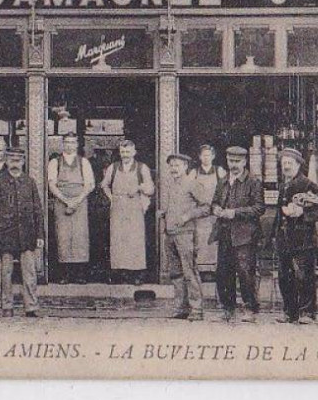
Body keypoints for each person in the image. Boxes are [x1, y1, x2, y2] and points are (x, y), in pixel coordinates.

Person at [0, 145, 45, 318]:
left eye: (18, 160)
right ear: (7, 162)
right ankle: (6, 306)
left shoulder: (29, 182)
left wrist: (40, 234)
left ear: (23, 162)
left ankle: (31, 306)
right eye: (12, 160)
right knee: (6, 272)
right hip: (5, 234)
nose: (15, 164)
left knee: (29, 272)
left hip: (27, 234)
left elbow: (37, 209)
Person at [271, 148, 318, 324]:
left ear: (298, 165)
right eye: (284, 164)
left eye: (290, 163)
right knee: (284, 276)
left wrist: (302, 212)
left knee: (304, 276)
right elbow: (279, 213)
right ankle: (289, 312)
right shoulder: (283, 185)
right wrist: (274, 234)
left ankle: (307, 313)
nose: (286, 167)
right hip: (284, 238)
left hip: (304, 239)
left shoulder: (308, 184)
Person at [210, 145, 265, 321]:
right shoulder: (223, 181)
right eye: (230, 161)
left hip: (245, 235)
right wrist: (216, 209)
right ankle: (228, 309)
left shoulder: (253, 182)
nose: (233, 165)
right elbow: (215, 202)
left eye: (237, 161)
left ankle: (251, 309)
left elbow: (259, 208)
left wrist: (235, 213)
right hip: (225, 233)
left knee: (245, 272)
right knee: (223, 272)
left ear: (244, 161)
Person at [159, 153, 209, 320]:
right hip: (170, 234)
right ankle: (181, 308)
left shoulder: (192, 184)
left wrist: (188, 216)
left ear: (186, 167)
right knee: (176, 273)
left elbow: (206, 207)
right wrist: (164, 213)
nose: (173, 168)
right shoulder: (171, 184)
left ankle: (197, 309)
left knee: (189, 271)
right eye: (171, 165)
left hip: (186, 234)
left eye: (177, 165)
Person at [101, 139, 155, 283]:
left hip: (134, 206)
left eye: (128, 152)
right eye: (123, 152)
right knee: (118, 239)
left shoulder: (142, 168)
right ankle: (119, 273)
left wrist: (139, 187)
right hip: (118, 207)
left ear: (134, 152)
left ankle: (136, 274)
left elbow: (151, 189)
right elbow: (104, 185)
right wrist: (111, 198)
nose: (125, 154)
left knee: (135, 239)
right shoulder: (113, 167)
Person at [47, 132, 95, 283]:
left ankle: (80, 275)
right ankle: (64, 275)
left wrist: (77, 200)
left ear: (76, 144)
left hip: (80, 202)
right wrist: (66, 200)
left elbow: (90, 185)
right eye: (67, 142)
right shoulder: (55, 162)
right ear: (63, 144)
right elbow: (51, 185)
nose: (69, 145)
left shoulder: (84, 162)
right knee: (63, 236)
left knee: (80, 237)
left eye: (72, 142)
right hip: (61, 201)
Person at [190, 144, 224, 271]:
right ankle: (201, 269)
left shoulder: (219, 171)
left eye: (208, 155)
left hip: (214, 213)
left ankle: (213, 269)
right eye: (203, 155)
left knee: (213, 241)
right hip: (200, 214)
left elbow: (225, 190)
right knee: (200, 240)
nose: (206, 158)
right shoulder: (194, 172)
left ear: (213, 156)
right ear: (199, 157)